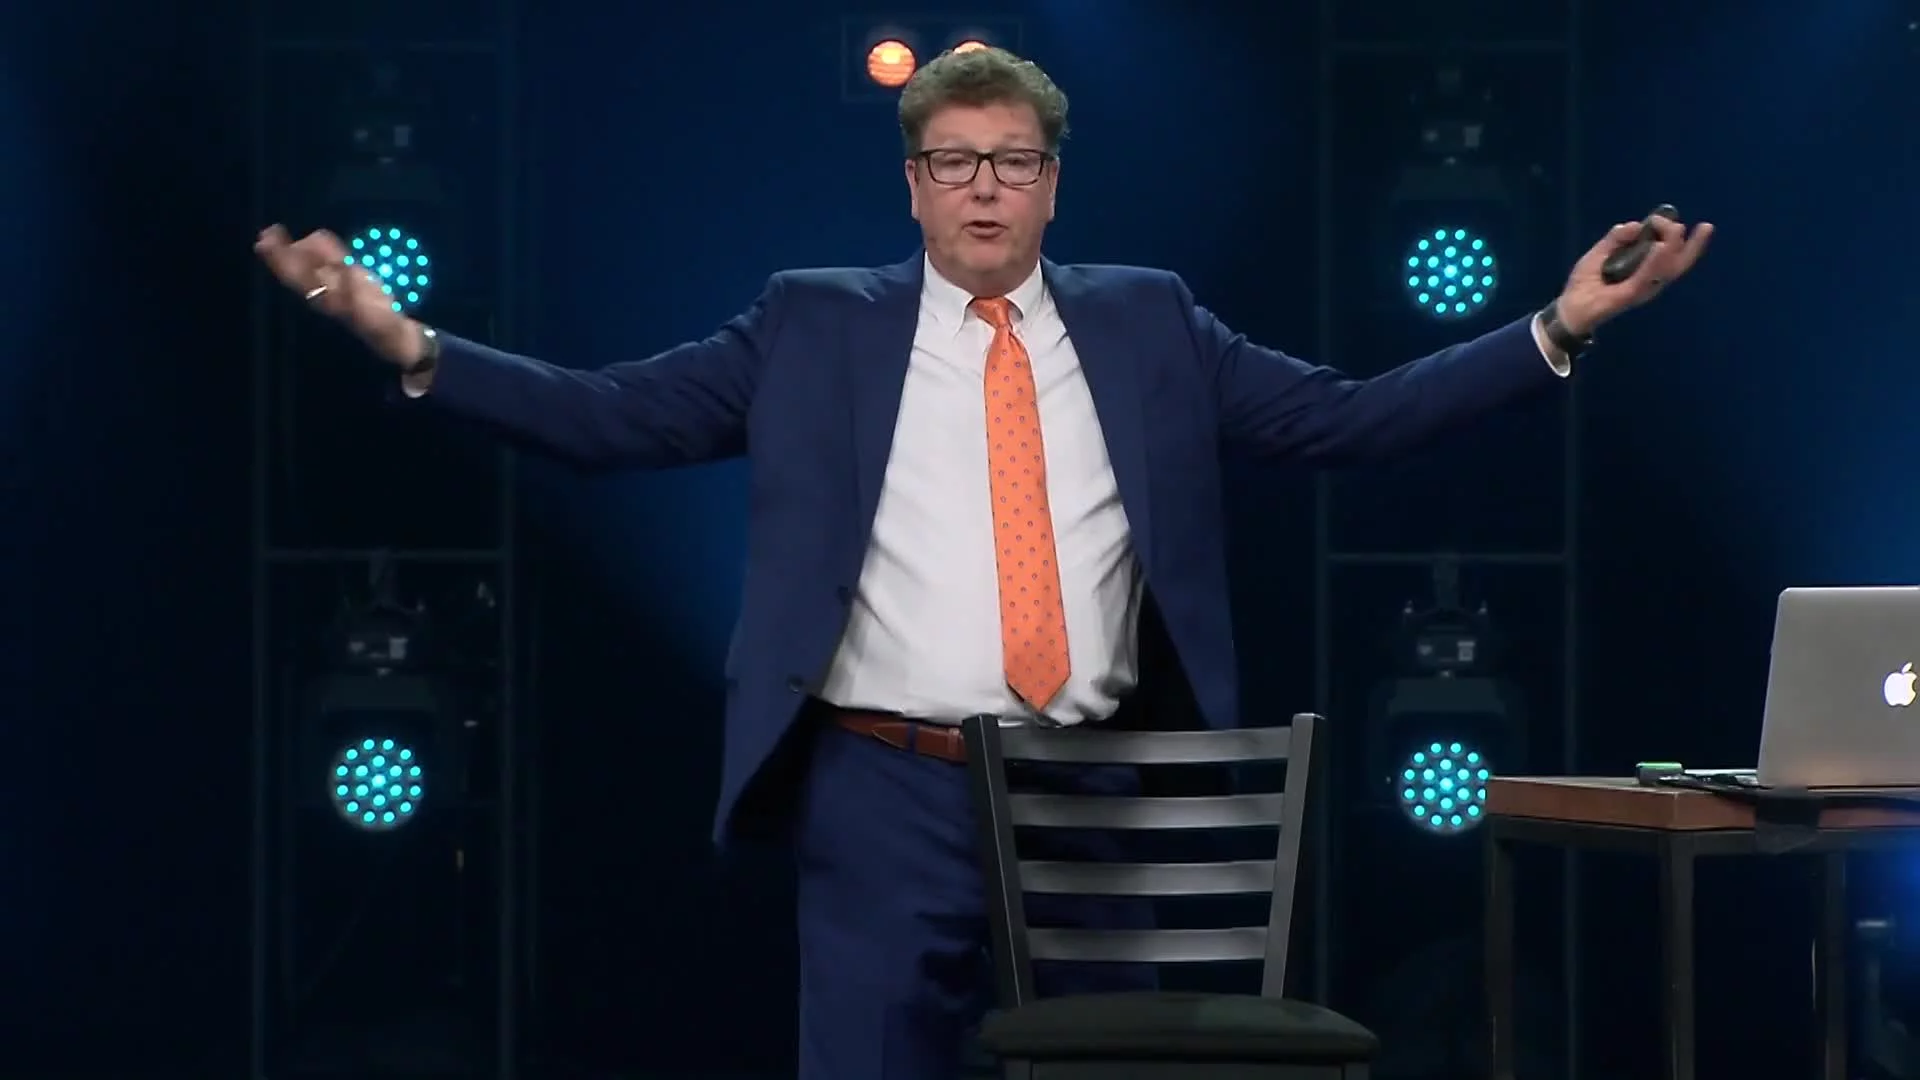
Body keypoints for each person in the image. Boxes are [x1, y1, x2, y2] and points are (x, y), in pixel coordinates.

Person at [257, 44, 1710, 1080]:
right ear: (913, 186)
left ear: (1052, 184)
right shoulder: (809, 323)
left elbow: (1353, 419)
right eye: (953, 164)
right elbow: (606, 418)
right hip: (881, 787)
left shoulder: (1153, 322)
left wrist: (1557, 327)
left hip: (1101, 789)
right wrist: (411, 346)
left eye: (1013, 164)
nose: (984, 191)